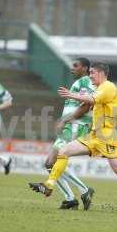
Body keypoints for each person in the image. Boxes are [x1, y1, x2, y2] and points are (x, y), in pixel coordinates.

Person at [29, 62, 117, 215]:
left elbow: (92, 100)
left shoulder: (108, 87)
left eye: (92, 72)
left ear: (101, 73)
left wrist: (72, 95)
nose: (90, 75)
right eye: (89, 72)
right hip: (94, 135)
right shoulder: (100, 88)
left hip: (107, 137)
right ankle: (49, 185)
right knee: (64, 151)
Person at [47, 58, 96, 210]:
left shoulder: (86, 82)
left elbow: (87, 105)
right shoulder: (78, 83)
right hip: (71, 125)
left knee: (51, 162)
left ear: (86, 68)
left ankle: (83, 191)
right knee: (50, 164)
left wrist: (66, 120)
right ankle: (71, 198)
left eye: (76, 66)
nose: (72, 68)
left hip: (77, 126)